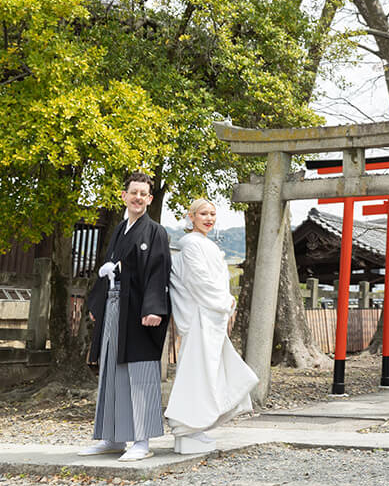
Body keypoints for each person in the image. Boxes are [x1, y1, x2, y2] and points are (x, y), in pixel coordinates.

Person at [80, 172, 172, 462]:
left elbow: (159, 270)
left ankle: (142, 440)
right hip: (114, 305)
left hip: (140, 309)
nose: (138, 198)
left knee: (140, 369)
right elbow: (109, 267)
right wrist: (98, 303)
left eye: (143, 194)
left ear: (150, 199)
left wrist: (154, 308)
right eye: (134, 192)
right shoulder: (120, 229)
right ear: (124, 196)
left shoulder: (155, 231)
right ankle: (113, 437)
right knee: (111, 368)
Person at [165, 199, 258, 454]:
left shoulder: (205, 245)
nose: (209, 218)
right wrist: (224, 301)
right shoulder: (192, 245)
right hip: (201, 315)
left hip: (210, 315)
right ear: (191, 217)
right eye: (203, 213)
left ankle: (195, 427)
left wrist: (224, 302)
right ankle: (186, 425)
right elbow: (199, 280)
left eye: (213, 214)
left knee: (208, 371)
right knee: (198, 371)